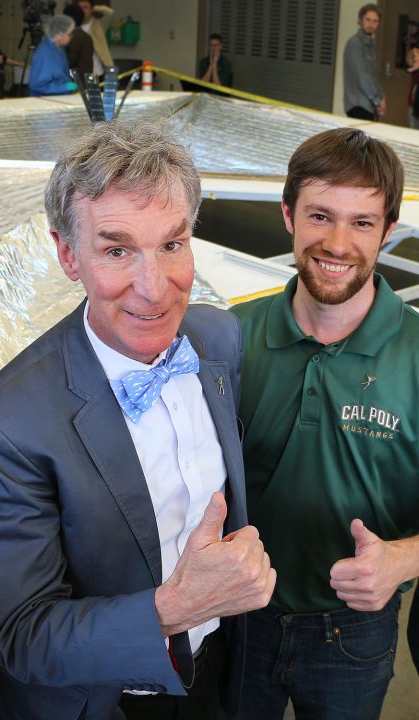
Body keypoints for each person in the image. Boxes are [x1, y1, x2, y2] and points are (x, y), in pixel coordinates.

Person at [0, 119, 276, 720]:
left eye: (172, 244)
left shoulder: (218, 337)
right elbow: (23, 637)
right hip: (101, 703)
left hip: (214, 678)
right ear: (67, 255)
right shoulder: (4, 426)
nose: (154, 288)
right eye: (116, 250)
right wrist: (174, 607)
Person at [230, 127, 418, 720]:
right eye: (320, 215)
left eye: (362, 223)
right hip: (236, 616)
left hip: (354, 632)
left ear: (389, 231)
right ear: (288, 215)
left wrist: (407, 559)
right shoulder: (231, 338)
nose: (337, 244)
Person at [343, 3, 385, 121]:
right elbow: (363, 78)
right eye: (368, 19)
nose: (371, 24)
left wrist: (382, 98)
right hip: (358, 104)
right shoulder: (355, 44)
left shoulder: (370, 44)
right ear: (360, 20)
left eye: (375, 21)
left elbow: (374, 75)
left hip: (369, 105)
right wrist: (377, 101)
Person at [28, 15, 76, 97]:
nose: (71, 37)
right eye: (69, 34)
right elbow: (38, 85)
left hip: (60, 97)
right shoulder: (44, 55)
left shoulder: (59, 47)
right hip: (45, 101)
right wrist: (65, 87)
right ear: (58, 35)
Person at [77, 0, 114, 78]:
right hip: (83, 74)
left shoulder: (99, 24)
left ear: (91, 9)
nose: (82, 10)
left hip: (101, 71)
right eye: (79, 8)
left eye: (85, 7)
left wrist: (94, 8)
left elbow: (110, 12)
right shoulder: (73, 27)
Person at [64, 3, 94, 78]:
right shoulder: (86, 36)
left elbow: (68, 61)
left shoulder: (73, 37)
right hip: (85, 80)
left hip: (74, 83)